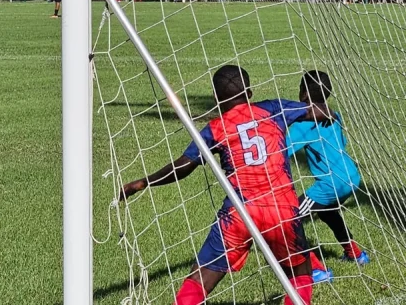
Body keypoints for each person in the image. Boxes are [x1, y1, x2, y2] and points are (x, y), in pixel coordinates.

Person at [120, 65, 327, 305]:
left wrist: (144, 182)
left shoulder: (215, 128)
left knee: (201, 278)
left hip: (239, 213)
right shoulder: (272, 108)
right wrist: (326, 113)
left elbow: (183, 166)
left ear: (217, 98)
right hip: (281, 209)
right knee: (300, 274)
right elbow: (317, 110)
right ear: (249, 92)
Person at [286, 71, 367, 283]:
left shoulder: (305, 125)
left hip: (331, 183)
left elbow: (281, 152)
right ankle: (356, 254)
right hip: (352, 177)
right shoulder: (334, 115)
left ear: (303, 93)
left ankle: (316, 270)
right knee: (328, 212)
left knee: (290, 220)